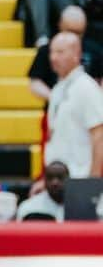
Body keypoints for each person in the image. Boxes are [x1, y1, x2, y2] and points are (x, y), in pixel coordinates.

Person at [44, 32, 103, 178]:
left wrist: (92, 180)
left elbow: (99, 135)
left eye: (60, 52)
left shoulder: (86, 87)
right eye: (52, 52)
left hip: (80, 176)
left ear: (77, 54)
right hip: (57, 179)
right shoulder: (57, 89)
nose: (53, 58)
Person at [28, 5, 103, 101]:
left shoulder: (95, 51)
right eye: (69, 31)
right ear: (60, 25)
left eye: (78, 33)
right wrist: (54, 98)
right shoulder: (47, 49)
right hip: (57, 106)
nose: (73, 37)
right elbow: (35, 81)